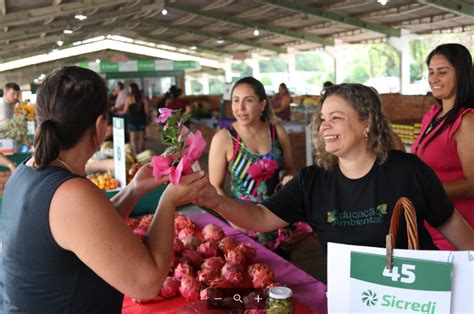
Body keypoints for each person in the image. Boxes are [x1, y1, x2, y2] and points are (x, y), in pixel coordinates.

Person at [1, 66, 208, 313]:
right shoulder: (70, 193)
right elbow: (147, 283)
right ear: (101, 127)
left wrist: (134, 190)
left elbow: (87, 230)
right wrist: (168, 200)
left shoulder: (24, 172)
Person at [197, 83, 474, 255]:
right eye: (323, 119)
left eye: (336, 118)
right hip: (351, 302)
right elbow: (260, 217)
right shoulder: (313, 182)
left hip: (411, 301)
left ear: (367, 124)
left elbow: (452, 226)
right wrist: (215, 200)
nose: (324, 125)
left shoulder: (408, 171)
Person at [208, 77, 310, 257]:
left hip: (277, 219)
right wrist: (233, 219)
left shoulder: (277, 132)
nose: (240, 108)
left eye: (248, 101)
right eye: (236, 100)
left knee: (284, 275)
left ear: (262, 105)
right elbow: (214, 186)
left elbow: (290, 168)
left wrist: (289, 176)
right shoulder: (224, 138)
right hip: (242, 222)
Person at [411, 43, 474, 250]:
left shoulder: (467, 121)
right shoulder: (433, 115)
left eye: (442, 72)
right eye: (431, 72)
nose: (434, 79)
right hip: (431, 224)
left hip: (459, 230)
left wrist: (424, 191)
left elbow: (472, 184)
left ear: (462, 74)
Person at [124, 83, 148, 154]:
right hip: (142, 120)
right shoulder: (143, 98)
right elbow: (146, 112)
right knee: (142, 139)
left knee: (133, 140)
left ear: (131, 89)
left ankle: (136, 155)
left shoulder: (129, 98)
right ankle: (142, 155)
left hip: (132, 121)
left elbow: (125, 110)